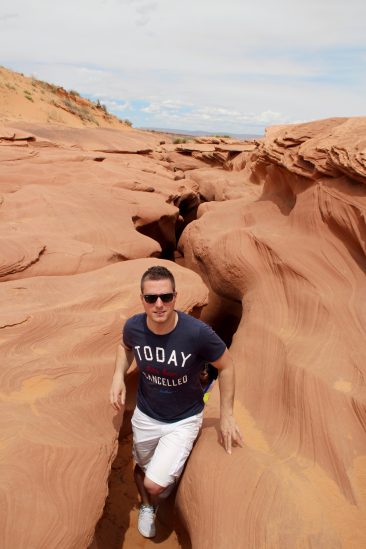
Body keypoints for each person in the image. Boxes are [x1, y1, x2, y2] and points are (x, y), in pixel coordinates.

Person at [110, 265, 243, 538]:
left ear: (175, 297)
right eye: (151, 298)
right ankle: (151, 496)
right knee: (142, 466)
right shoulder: (133, 327)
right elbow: (124, 348)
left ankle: (155, 497)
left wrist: (227, 414)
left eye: (165, 297)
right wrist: (117, 376)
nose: (159, 304)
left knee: (155, 484)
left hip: (183, 419)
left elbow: (227, 366)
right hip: (147, 414)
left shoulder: (196, 333)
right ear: (142, 299)